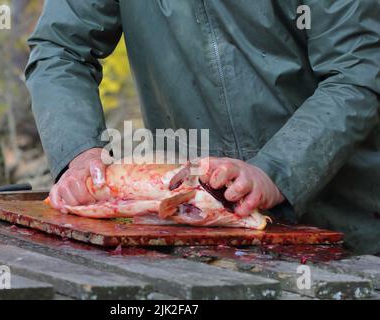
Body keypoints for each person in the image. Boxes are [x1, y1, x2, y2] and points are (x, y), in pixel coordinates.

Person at [25, 1, 380, 253]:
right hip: (198, 227)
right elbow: (61, 49)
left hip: (347, 227)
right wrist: (79, 155)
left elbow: (357, 73)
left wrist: (274, 172)